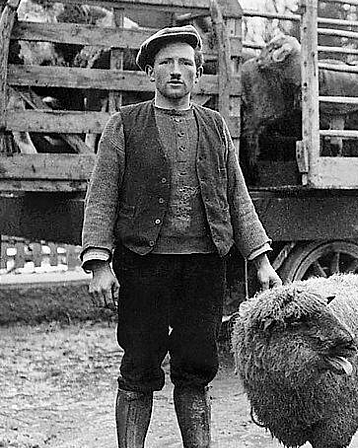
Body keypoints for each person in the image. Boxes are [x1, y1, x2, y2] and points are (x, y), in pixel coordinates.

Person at [80, 25, 282, 448]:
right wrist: (99, 263)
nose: (176, 71)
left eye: (185, 63)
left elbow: (237, 196)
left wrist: (261, 260)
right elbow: (101, 196)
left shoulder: (214, 126)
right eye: (166, 63)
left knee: (196, 367)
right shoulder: (124, 126)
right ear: (151, 72)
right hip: (144, 264)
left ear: (197, 73)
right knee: (139, 366)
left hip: (203, 265)